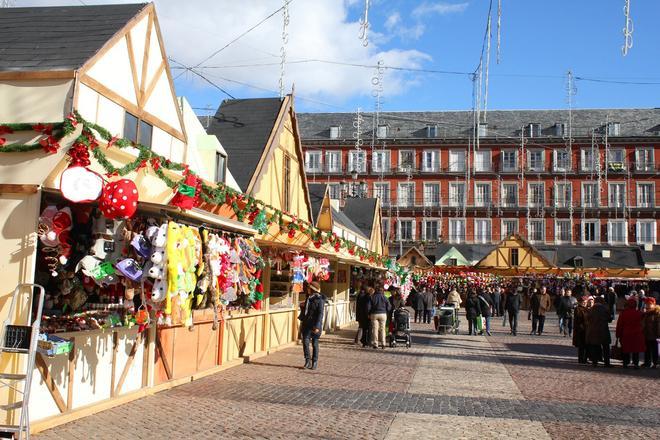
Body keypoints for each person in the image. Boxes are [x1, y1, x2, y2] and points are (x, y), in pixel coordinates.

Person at [298, 281, 325, 370]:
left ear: (313, 290)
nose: (307, 289)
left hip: (314, 325)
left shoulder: (320, 300)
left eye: (309, 288)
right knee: (305, 342)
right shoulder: (308, 298)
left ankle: (315, 361)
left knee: (314, 343)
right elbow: (307, 311)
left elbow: (320, 314)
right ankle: (307, 360)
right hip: (306, 324)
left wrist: (317, 326)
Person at [616, 298, 646, 369]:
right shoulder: (639, 313)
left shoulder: (623, 313)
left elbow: (620, 325)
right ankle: (636, 363)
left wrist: (618, 334)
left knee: (626, 349)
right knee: (636, 349)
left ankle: (626, 363)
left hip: (626, 333)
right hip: (637, 333)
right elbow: (643, 323)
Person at [586, 296, 612, 367]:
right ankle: (607, 363)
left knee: (594, 346)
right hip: (603, 330)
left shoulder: (591, 309)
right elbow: (609, 319)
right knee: (606, 347)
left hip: (593, 330)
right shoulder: (605, 309)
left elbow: (588, 318)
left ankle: (595, 362)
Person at [641, 297, 659, 368]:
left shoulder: (656, 313)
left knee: (654, 349)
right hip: (647, 334)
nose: (647, 305)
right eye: (646, 304)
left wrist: (658, 334)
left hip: (654, 335)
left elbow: (658, 325)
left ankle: (655, 363)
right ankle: (647, 362)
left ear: (653, 304)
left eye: (649, 304)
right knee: (647, 349)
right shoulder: (646, 313)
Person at [573, 296, 589, 364]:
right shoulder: (578, 309)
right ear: (580, 302)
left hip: (586, 329)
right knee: (581, 346)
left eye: (585, 302)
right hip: (580, 330)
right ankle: (581, 359)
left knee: (586, 345)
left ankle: (585, 359)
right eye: (583, 302)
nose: (584, 303)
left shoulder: (587, 309)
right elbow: (578, 319)